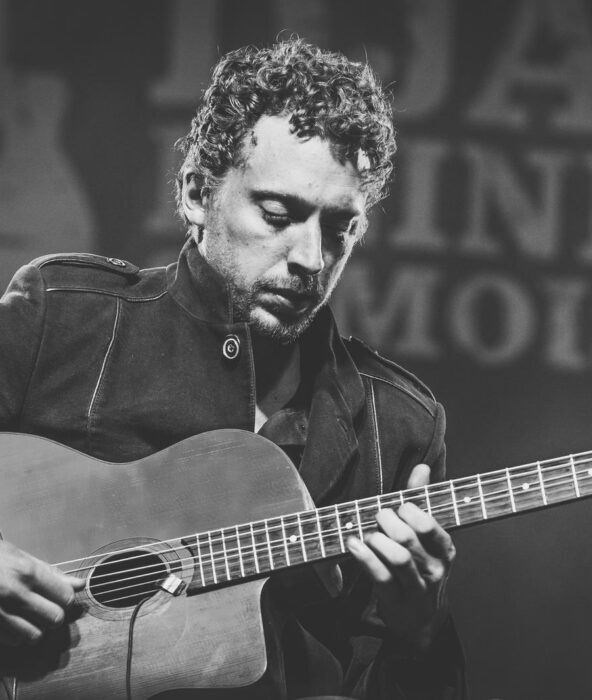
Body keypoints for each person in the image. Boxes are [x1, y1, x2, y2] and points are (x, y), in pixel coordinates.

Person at [0, 39, 465, 698]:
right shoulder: (64, 316)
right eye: (278, 215)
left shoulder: (399, 423)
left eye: (340, 229)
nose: (311, 259)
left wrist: (419, 631)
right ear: (196, 193)